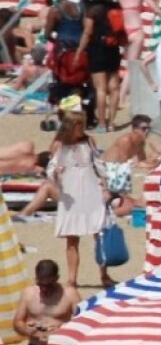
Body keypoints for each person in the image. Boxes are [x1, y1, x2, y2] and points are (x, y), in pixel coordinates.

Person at [48, 109, 110, 288]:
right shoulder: (59, 145)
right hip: (71, 194)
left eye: (83, 124)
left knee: (100, 234)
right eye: (79, 125)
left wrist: (105, 186)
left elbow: (99, 164)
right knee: (72, 238)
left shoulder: (89, 141)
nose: (82, 128)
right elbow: (50, 169)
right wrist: (56, 172)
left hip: (91, 190)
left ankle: (104, 275)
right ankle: (72, 279)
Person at [117, 0, 161, 106]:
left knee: (128, 64)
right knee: (132, 67)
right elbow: (154, 8)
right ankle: (121, 98)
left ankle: (120, 96)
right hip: (136, 30)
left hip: (124, 32)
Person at [77, 1, 121, 133]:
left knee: (100, 89)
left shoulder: (93, 11)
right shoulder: (114, 7)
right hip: (113, 48)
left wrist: (79, 51)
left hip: (97, 50)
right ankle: (111, 123)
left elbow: (87, 32)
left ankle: (102, 124)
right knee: (114, 88)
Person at [99, 114, 153, 217]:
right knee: (132, 206)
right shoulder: (126, 140)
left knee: (138, 203)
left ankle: (113, 208)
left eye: (149, 129)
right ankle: (106, 216)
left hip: (114, 176)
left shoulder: (140, 142)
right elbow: (121, 168)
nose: (147, 131)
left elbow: (143, 161)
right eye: (144, 128)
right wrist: (125, 196)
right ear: (135, 129)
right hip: (105, 177)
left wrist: (154, 163)